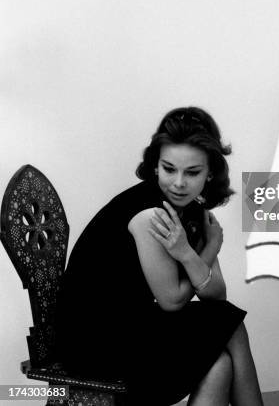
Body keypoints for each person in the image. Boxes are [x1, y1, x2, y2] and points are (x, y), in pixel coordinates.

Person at [54, 107, 263, 406]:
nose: (179, 182)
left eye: (192, 172)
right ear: (155, 167)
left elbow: (216, 295)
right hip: (94, 342)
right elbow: (172, 300)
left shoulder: (192, 211)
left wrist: (196, 252)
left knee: (220, 361)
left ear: (209, 173)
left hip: (137, 326)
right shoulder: (150, 215)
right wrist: (205, 250)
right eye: (169, 169)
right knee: (230, 324)